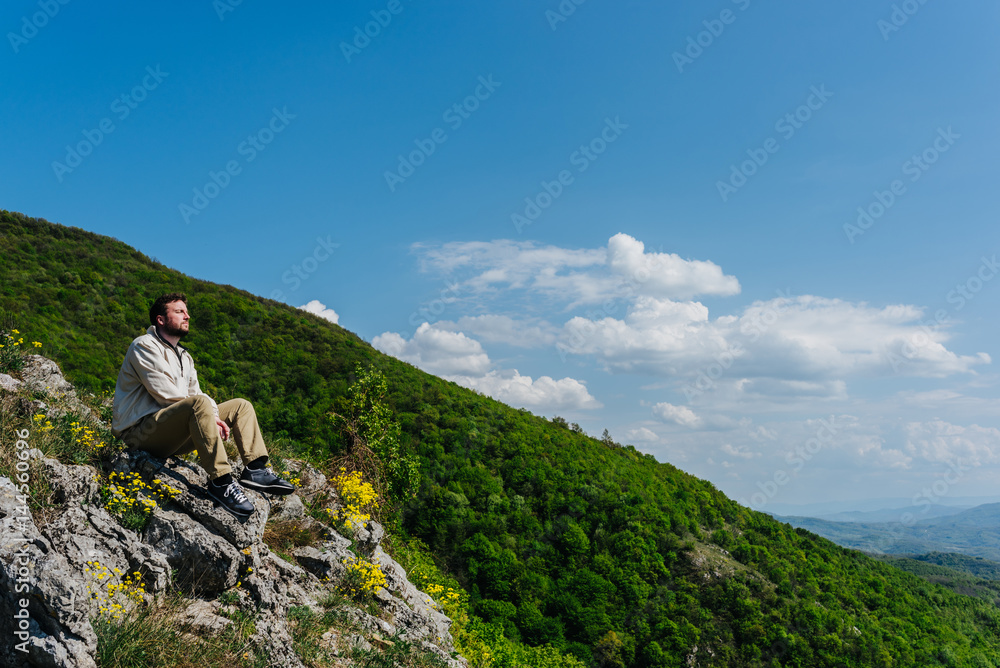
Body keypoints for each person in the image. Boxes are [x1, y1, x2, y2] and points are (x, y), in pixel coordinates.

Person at [111, 292, 294, 518]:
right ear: (160, 319)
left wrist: (213, 417)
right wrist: (206, 414)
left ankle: (255, 469)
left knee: (241, 406)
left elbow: (197, 394)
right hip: (140, 434)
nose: (187, 316)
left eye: (187, 312)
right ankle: (221, 482)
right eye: (179, 312)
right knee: (199, 405)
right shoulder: (144, 345)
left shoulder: (185, 357)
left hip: (171, 435)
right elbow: (165, 394)